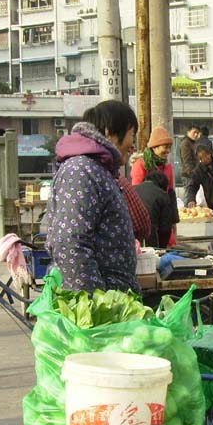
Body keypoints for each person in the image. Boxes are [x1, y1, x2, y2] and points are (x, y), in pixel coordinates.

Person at [45, 100, 143, 293]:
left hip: (113, 302)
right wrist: (96, 304)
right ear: (108, 132)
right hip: (99, 310)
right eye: (132, 135)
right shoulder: (81, 170)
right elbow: (70, 243)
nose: (133, 146)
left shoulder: (98, 170)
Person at [135, 170, 178, 249]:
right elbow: (165, 229)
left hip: (130, 236)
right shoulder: (163, 196)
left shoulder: (133, 189)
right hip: (150, 237)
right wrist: (161, 248)